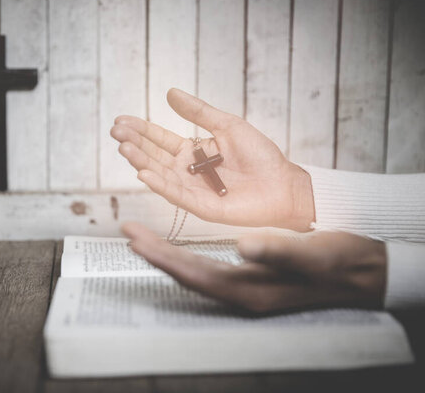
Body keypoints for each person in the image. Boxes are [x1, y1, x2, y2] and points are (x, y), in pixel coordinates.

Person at [110, 88, 425, 313]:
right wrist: (297, 194)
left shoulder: (205, 163)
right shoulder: (204, 163)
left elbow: (371, 270)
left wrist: (381, 272)